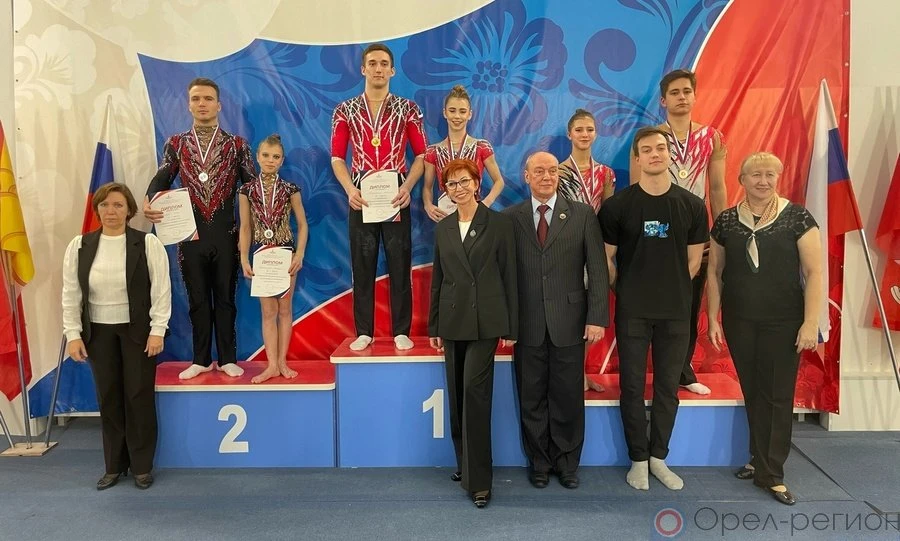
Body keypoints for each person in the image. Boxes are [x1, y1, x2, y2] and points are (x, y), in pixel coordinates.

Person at [707, 152, 822, 506]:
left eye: (770, 174)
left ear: (778, 178)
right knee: (754, 391)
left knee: (776, 395)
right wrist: (712, 317)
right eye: (756, 174)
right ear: (741, 180)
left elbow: (815, 272)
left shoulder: (797, 217)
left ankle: (772, 475)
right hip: (740, 320)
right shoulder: (727, 221)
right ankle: (758, 459)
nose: (763, 180)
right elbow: (714, 272)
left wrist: (811, 323)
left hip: (783, 322)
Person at [600, 127, 708, 491]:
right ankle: (638, 459)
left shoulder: (692, 205)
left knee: (667, 388)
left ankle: (659, 457)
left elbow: (694, 262)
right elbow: (607, 259)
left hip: (675, 312)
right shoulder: (617, 207)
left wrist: (670, 289)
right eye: (647, 150)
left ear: (670, 155)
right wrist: (626, 290)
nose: (655, 154)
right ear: (637, 158)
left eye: (661, 148)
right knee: (631, 387)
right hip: (633, 311)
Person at [505, 151, 609, 490]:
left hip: (570, 321)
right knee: (531, 396)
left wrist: (597, 317)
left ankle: (566, 463)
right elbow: (504, 275)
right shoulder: (511, 218)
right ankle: (539, 462)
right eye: (539, 171)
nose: (547, 176)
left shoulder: (582, 215)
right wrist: (507, 323)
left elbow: (597, 268)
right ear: (526, 176)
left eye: (552, 170)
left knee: (567, 396)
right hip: (527, 325)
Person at [143, 77, 256, 380]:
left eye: (208, 99)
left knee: (226, 299)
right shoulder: (176, 144)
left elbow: (251, 187)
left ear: (219, 105)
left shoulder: (238, 145)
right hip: (189, 237)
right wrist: (148, 198)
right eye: (196, 99)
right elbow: (163, 177)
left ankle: (228, 357)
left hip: (226, 234)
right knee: (197, 300)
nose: (202, 104)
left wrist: (259, 225)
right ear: (189, 105)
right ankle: (201, 359)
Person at [62, 182, 171, 490]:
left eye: (118, 205)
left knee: (138, 397)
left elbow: (161, 290)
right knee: (109, 398)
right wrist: (73, 334)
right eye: (105, 205)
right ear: (97, 209)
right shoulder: (79, 246)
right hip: (98, 334)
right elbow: (71, 293)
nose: (111, 211)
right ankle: (114, 465)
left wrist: (158, 330)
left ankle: (141, 467)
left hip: (138, 334)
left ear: (129, 210)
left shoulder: (147, 244)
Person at [630, 69, 727, 395]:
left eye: (687, 91)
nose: (682, 97)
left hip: (695, 233)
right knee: (651, 304)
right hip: (657, 231)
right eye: (674, 92)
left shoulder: (712, 137)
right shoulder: (649, 137)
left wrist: (719, 233)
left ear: (695, 96)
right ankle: (646, 370)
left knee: (688, 303)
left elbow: (717, 188)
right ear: (663, 100)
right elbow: (636, 189)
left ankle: (682, 371)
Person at [428, 159, 518, 509]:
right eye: (452, 184)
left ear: (477, 183)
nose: (459, 188)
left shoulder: (499, 223)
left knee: (474, 394)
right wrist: (434, 325)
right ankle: (464, 463)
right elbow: (438, 278)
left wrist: (511, 326)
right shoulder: (444, 228)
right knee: (456, 396)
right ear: (446, 191)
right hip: (452, 321)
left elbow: (509, 275)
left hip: (485, 323)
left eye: (464, 181)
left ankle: (480, 481)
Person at [331, 43, 427, 352]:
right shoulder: (344, 110)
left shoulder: (408, 108)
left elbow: (422, 155)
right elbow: (337, 158)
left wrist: (407, 187)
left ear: (392, 71)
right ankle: (364, 331)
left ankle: (401, 330)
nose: (378, 68)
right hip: (361, 192)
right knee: (362, 264)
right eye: (372, 63)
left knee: (400, 262)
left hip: (396, 191)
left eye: (384, 63)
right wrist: (350, 190)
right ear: (363, 69)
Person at [238, 134, 309, 384]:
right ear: (257, 157)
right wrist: (244, 258)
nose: (270, 160)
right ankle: (270, 365)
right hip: (261, 254)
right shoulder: (246, 190)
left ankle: (282, 362)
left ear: (282, 160)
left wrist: (299, 254)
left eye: (276, 156)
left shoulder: (291, 189)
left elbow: (302, 224)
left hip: (285, 254)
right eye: (266, 155)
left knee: (285, 309)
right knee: (268, 311)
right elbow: (245, 227)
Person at [556, 108, 617, 393]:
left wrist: (607, 255)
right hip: (566, 250)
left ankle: (580, 373)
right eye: (579, 129)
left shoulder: (605, 173)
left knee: (591, 314)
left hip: (595, 250)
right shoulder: (557, 172)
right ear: (569, 134)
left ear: (596, 133)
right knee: (569, 316)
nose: (584, 134)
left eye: (589, 129)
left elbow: (609, 216)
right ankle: (570, 375)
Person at [422, 85, 505, 221]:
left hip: (475, 215)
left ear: (469, 114)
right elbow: (427, 187)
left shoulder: (481, 147)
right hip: (445, 216)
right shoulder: (433, 151)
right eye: (452, 111)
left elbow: (499, 181)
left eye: (462, 111)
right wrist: (428, 205)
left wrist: (485, 204)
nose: (457, 116)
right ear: (445, 113)